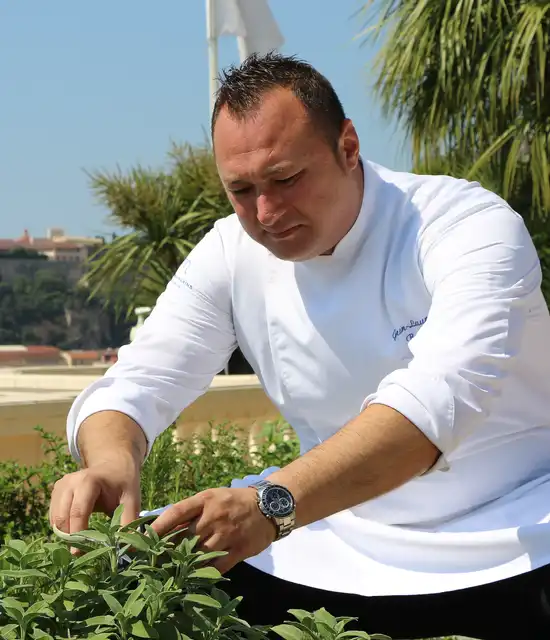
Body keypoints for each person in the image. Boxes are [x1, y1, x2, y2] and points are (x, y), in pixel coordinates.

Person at [50, 53, 550, 640]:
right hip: (327, 536)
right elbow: (137, 382)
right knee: (129, 581)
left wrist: (270, 504)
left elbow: (433, 407)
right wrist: (112, 461)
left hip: (513, 534)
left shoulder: (465, 225)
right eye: (241, 189)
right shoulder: (231, 252)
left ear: (348, 145)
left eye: (286, 179)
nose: (266, 213)